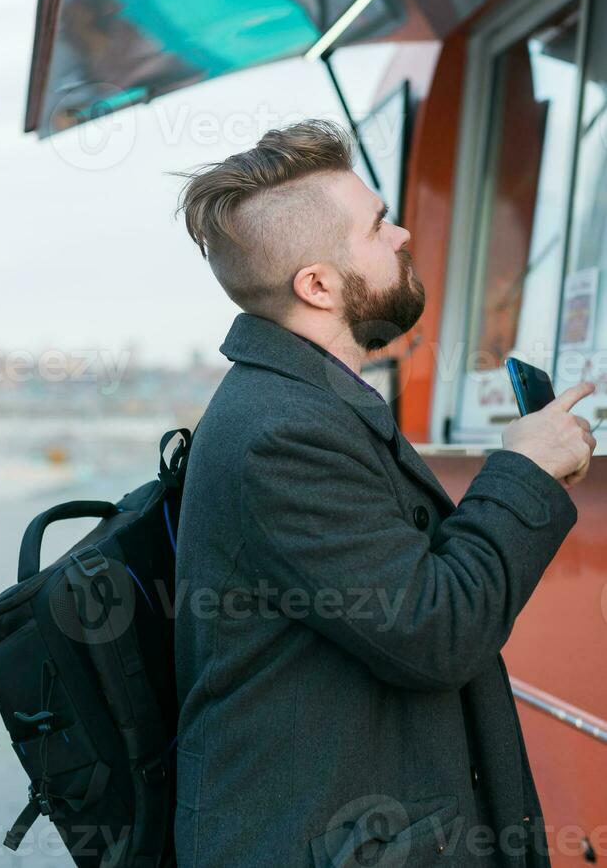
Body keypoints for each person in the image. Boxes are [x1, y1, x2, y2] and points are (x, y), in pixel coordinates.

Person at [171, 119, 595, 868]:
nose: (402, 235)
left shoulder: (302, 402)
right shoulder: (282, 433)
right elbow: (436, 631)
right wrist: (523, 471)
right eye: (377, 226)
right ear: (319, 284)